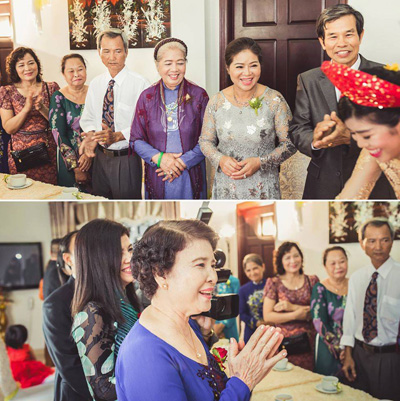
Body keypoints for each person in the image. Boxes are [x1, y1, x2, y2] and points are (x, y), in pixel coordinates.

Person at [116, 220, 287, 401]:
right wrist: (243, 381)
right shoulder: (144, 355)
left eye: (212, 265)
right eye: (200, 265)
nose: (213, 277)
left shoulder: (189, 325)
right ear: (160, 274)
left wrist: (240, 376)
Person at [289, 4, 394, 200]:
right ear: (322, 42)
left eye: (348, 34)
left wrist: (351, 138)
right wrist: (315, 140)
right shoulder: (308, 79)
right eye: (333, 36)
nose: (341, 43)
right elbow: (297, 129)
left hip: (373, 186)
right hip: (322, 185)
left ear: (360, 35)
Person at [199, 37, 295, 200]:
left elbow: (290, 143)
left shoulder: (274, 100)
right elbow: (205, 141)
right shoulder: (216, 102)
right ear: (228, 68)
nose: (247, 73)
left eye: (253, 65)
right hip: (226, 187)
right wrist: (220, 159)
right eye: (239, 66)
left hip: (263, 187)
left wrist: (261, 162)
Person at [71, 219, 141, 400]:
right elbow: (103, 390)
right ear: (97, 260)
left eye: (129, 250)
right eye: (118, 253)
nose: (129, 259)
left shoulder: (127, 300)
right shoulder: (93, 312)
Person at [130, 38, 208, 199]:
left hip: (189, 171)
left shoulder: (199, 95)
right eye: (168, 63)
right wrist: (160, 159)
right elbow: (135, 139)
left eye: (180, 63)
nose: (174, 69)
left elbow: (209, 138)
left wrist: (181, 162)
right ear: (157, 65)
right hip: (159, 172)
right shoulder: (147, 97)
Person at [79, 29, 149, 199]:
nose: (112, 57)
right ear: (99, 52)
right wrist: (91, 135)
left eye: (117, 51)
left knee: (127, 205)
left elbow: (146, 124)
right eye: (106, 51)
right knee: (100, 202)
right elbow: (88, 118)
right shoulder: (96, 84)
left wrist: (118, 136)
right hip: (100, 158)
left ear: (126, 52)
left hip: (126, 158)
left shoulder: (141, 84)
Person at [341, 218, 400, 401]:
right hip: (359, 355)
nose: (378, 247)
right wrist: (348, 354)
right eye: (372, 241)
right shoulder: (357, 278)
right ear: (362, 244)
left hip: (390, 358)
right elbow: (350, 317)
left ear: (392, 241)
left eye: (384, 240)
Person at [322, 62, 400, 199]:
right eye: (353, 134)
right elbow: (348, 198)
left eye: (367, 136)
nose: (360, 144)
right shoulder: (373, 150)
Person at [43, 231, 92, 401]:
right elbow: (70, 365)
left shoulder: (111, 292)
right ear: (68, 259)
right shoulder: (55, 304)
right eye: (82, 249)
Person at [0, 47, 59, 184]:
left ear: (37, 64)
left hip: (48, 153)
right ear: (14, 69)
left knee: (50, 190)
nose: (27, 68)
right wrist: (26, 109)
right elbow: (9, 128)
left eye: (31, 63)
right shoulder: (7, 91)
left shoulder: (51, 88)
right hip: (21, 156)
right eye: (21, 65)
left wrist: (42, 108)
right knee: (23, 190)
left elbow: (58, 123)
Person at [263, 242, 319, 370]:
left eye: (296, 256)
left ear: (301, 257)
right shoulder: (274, 283)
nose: (293, 261)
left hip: (309, 343)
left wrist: (291, 307)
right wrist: (296, 315)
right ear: (281, 261)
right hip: (283, 343)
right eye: (287, 257)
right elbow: (268, 316)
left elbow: (317, 311)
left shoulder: (312, 281)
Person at [49, 54, 91, 189]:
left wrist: (89, 154)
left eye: (80, 69)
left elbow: (101, 125)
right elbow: (58, 134)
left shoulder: (94, 92)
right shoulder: (58, 97)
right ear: (63, 74)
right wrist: (76, 168)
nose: (76, 74)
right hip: (70, 160)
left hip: (95, 156)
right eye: (71, 71)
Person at [311, 246, 348, 376]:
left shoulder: (355, 285)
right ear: (325, 266)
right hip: (328, 347)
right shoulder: (320, 288)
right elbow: (319, 323)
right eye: (333, 263)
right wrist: (339, 349)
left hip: (353, 349)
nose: (338, 266)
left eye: (342, 261)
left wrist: (349, 350)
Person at [5, 324, 54, 388]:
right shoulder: (26, 348)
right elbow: (34, 360)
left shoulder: (8, 350)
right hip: (25, 372)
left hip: (22, 373)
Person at [239, 253, 267, 344]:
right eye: (248, 270)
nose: (252, 273)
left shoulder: (271, 285)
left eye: (255, 268)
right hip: (251, 333)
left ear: (263, 267)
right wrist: (256, 322)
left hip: (270, 329)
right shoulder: (243, 290)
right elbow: (242, 313)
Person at [214, 274, 240, 341]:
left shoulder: (234, 281)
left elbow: (235, 306)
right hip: (211, 324)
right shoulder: (208, 280)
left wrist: (223, 324)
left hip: (228, 323)